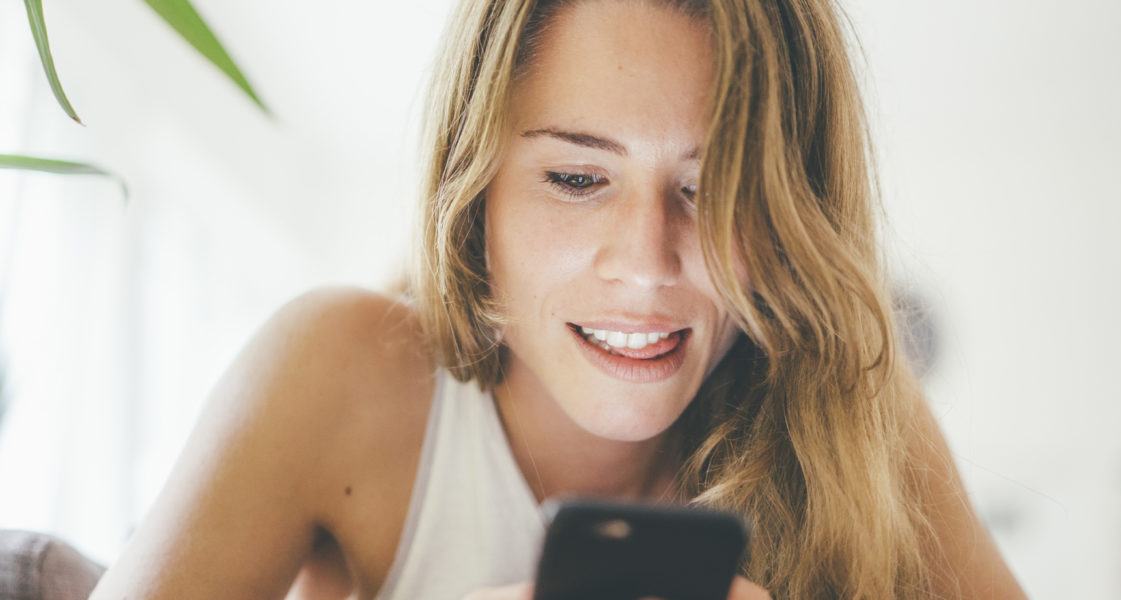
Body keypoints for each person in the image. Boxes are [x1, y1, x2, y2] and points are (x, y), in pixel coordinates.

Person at [90, 0, 1028, 598]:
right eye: (578, 179)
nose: (648, 266)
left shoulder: (854, 420)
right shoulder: (338, 374)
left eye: (716, 187)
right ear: (476, 190)